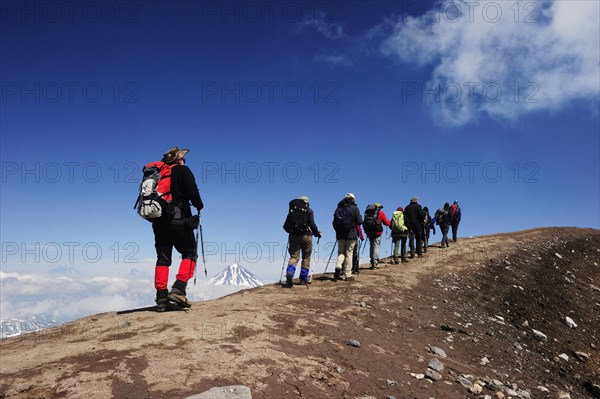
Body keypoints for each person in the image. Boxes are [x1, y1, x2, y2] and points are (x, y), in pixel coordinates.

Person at [150, 147, 204, 312]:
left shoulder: (156, 174)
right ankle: (179, 289)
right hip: (179, 220)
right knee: (189, 253)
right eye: (183, 159)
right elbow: (193, 193)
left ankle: (161, 299)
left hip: (158, 222)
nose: (184, 161)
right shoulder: (182, 170)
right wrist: (199, 205)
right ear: (178, 160)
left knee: (163, 259)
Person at [283, 196, 322, 288]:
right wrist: (317, 234)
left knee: (294, 257)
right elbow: (312, 224)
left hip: (293, 236)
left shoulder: (292, 211)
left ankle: (290, 272)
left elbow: (285, 226)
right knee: (306, 257)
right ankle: (303, 279)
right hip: (307, 236)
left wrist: (291, 232)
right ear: (307, 203)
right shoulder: (309, 211)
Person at [332, 193, 363, 281]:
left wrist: (337, 231)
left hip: (340, 235)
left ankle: (338, 267)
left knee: (341, 253)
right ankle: (347, 274)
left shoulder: (339, 208)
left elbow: (334, 222)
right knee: (349, 254)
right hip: (351, 234)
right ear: (353, 199)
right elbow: (359, 221)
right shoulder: (354, 208)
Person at [363, 203, 391, 269]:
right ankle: (375, 262)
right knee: (376, 246)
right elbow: (386, 223)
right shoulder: (381, 213)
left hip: (369, 232)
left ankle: (372, 261)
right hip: (377, 232)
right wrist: (389, 222)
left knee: (371, 246)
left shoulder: (368, 213)